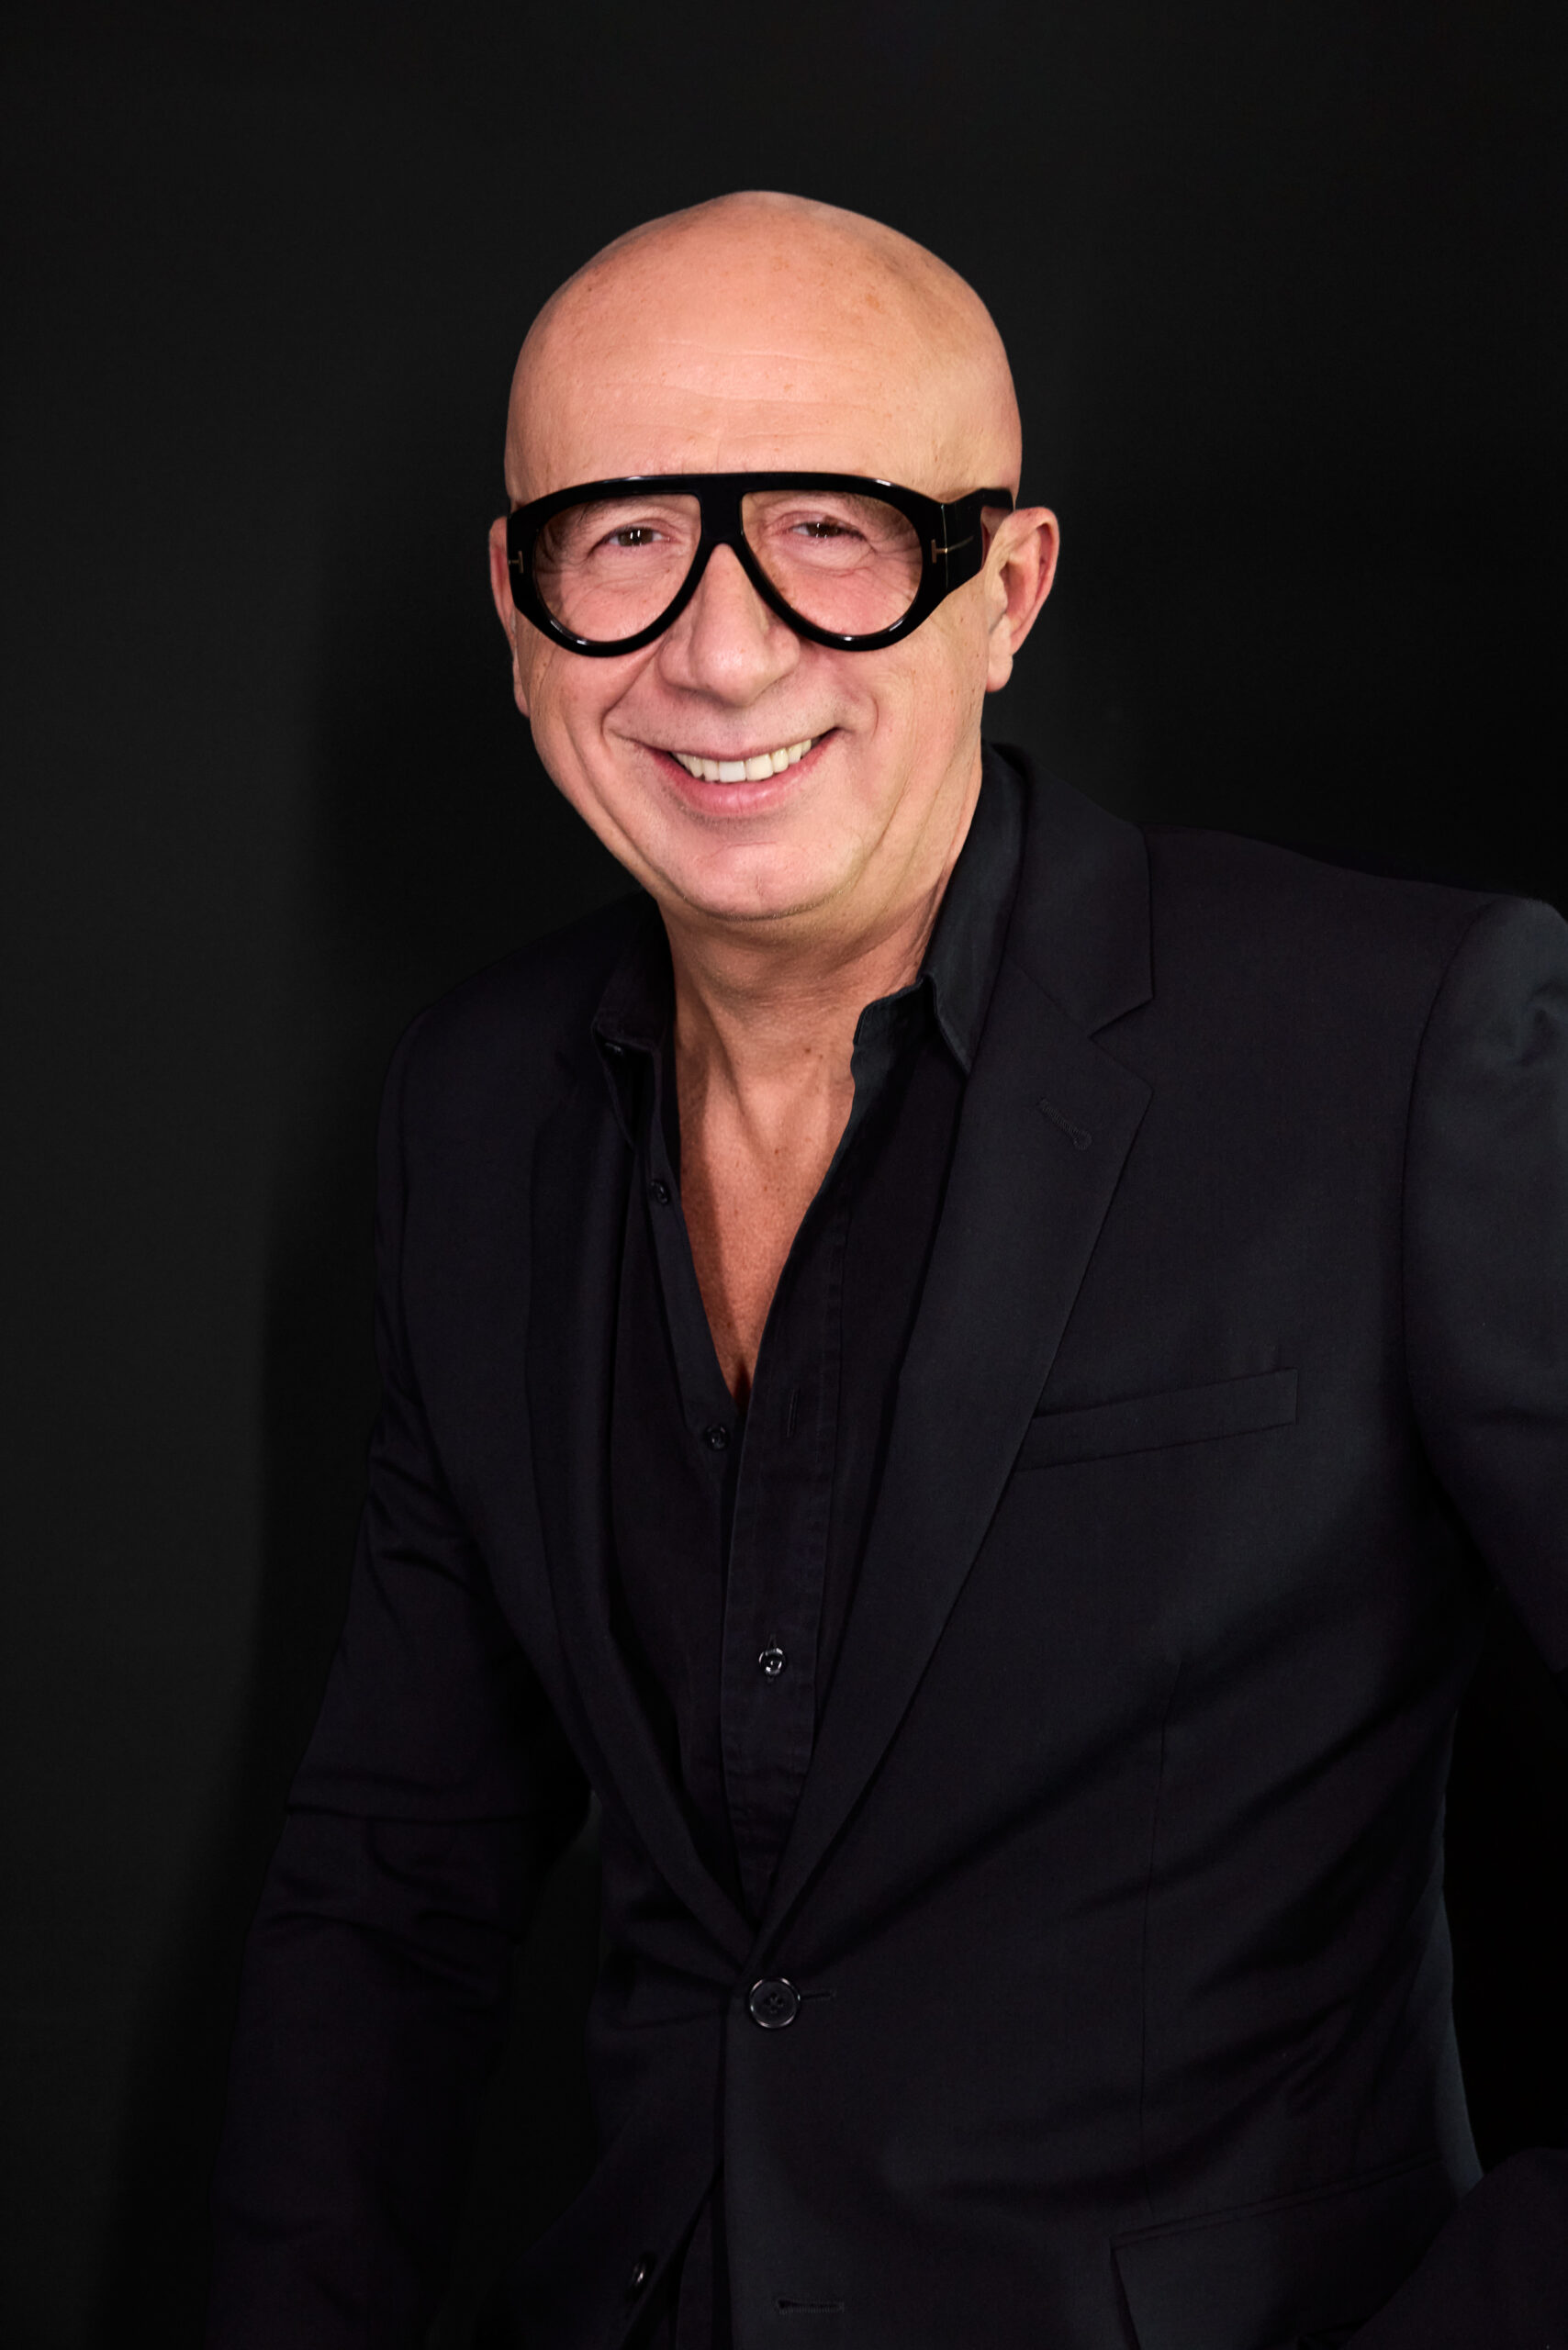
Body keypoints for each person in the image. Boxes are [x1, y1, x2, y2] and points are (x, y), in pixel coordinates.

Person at [206, 191, 1568, 2349]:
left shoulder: (1400, 1041)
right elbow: (396, 1873)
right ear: (515, 605)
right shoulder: (470, 1107)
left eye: (829, 533)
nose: (720, 649)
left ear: (1004, 588)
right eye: (623, 536)